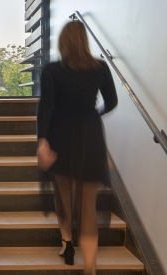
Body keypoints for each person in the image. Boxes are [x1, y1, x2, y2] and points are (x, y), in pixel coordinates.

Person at [37, 21, 118, 275]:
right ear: (85, 41)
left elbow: (46, 107)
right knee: (88, 206)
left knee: (62, 193)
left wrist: (42, 141)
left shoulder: (51, 70)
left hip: (60, 135)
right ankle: (90, 269)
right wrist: (93, 114)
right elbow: (112, 102)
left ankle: (67, 243)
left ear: (62, 42)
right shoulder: (101, 68)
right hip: (90, 135)